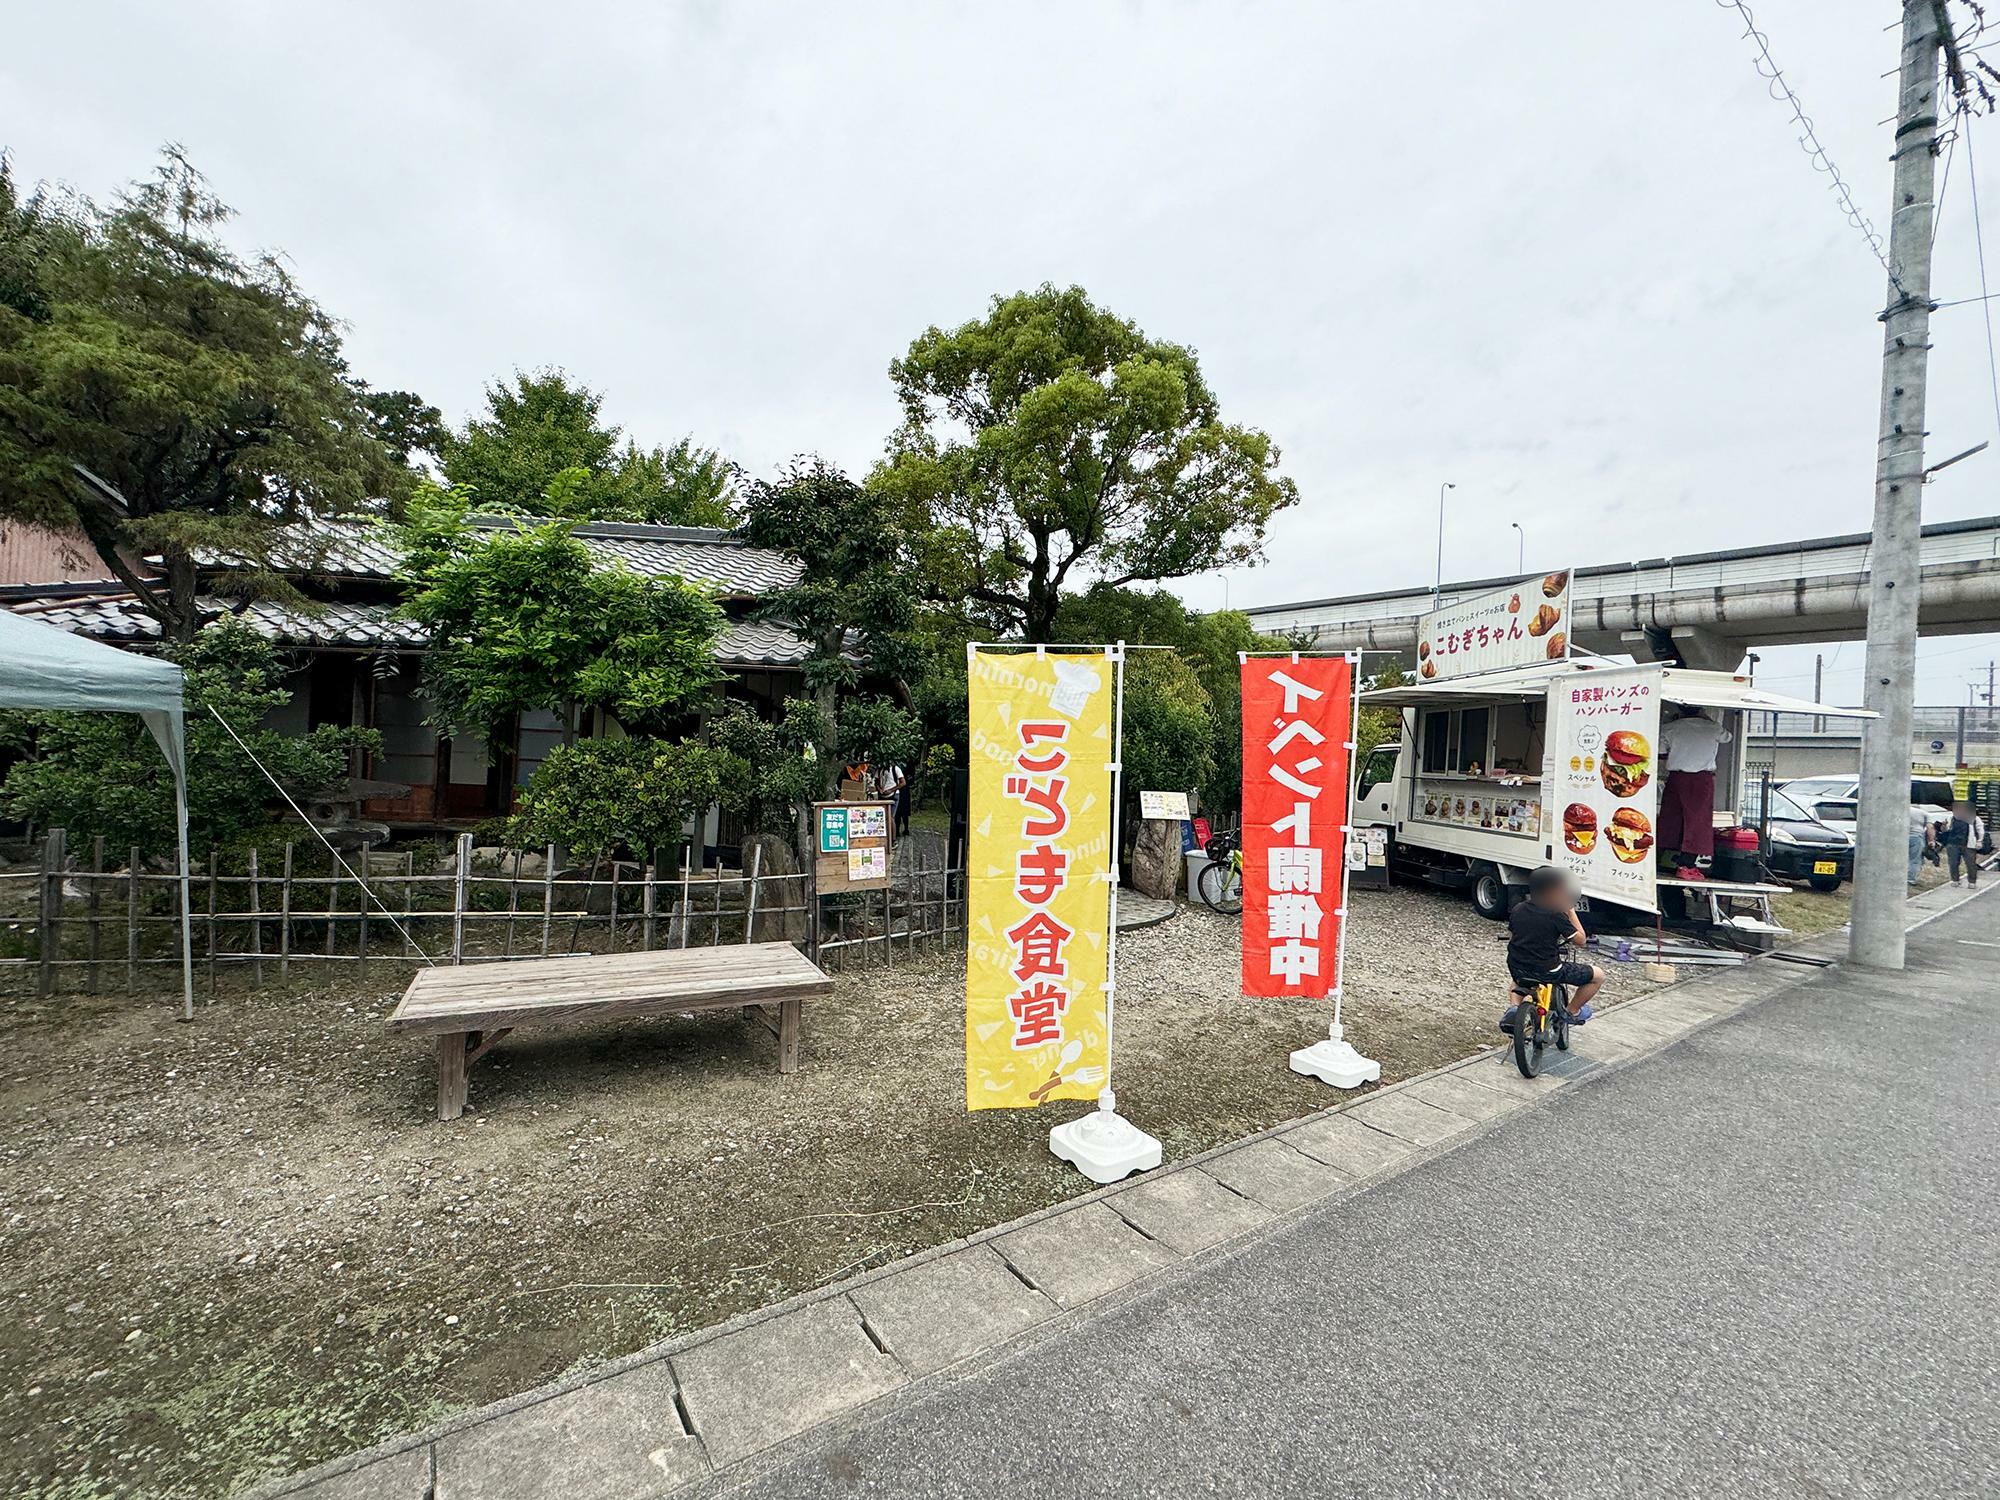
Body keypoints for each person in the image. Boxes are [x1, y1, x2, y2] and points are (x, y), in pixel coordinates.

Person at [1503, 865, 1603, 1025]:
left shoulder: (1518, 908)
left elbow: (1513, 933)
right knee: (1598, 976)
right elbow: (1581, 940)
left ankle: (1514, 1009)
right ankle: (1572, 1011)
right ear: (1552, 891)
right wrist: (1570, 911)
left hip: (1518, 967)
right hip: (1548, 970)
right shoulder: (1556, 914)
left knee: (1518, 980)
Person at [1657, 705, 1732, 880]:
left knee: (1671, 819)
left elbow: (1661, 751)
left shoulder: (1671, 727)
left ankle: (1661, 859)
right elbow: (1727, 737)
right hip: (1701, 778)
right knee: (1698, 822)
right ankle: (1687, 865)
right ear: (1701, 711)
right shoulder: (1713, 727)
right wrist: (1709, 720)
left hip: (1676, 777)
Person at [1939, 800, 1985, 888]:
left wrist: (1979, 841)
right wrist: (1943, 826)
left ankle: (1972, 882)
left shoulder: (1974, 818)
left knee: (1970, 864)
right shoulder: (1950, 818)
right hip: (1952, 843)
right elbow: (1945, 830)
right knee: (1953, 863)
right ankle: (1955, 880)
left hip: (1969, 844)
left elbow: (1980, 830)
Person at [1908, 802, 1935, 886]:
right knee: (1915, 859)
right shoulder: (1924, 813)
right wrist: (1931, 841)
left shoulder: (1903, 810)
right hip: (1916, 836)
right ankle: (1910, 879)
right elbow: (1930, 827)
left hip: (1901, 836)